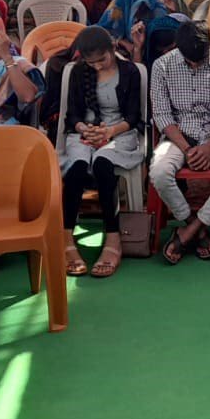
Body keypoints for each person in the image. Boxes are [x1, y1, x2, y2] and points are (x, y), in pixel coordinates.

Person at [148, 21, 210, 264]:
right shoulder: (162, 66)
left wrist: (208, 147)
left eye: (199, 60)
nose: (195, 65)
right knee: (159, 172)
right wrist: (188, 149)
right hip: (178, 137)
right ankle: (194, 226)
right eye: (190, 61)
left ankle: (192, 228)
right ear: (178, 50)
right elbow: (161, 115)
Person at [56, 26, 144, 278]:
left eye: (101, 60)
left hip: (120, 132)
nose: (96, 67)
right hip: (83, 133)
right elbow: (71, 115)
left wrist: (109, 133)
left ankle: (113, 237)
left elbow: (134, 116)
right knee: (76, 170)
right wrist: (86, 129)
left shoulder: (129, 72)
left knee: (105, 166)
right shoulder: (77, 72)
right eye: (90, 62)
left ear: (113, 49)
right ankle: (66, 237)